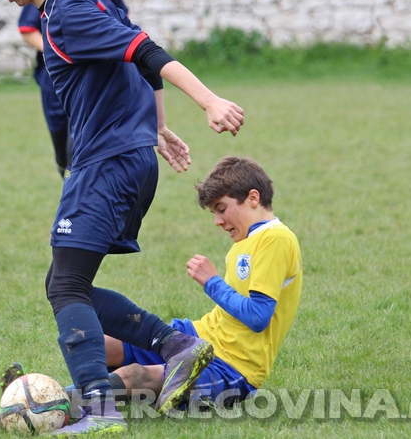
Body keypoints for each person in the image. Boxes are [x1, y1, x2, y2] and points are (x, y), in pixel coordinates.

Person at [0, 0, 245, 434]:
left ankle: (99, 409)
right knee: (67, 283)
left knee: (66, 287)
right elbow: (134, 45)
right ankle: (178, 345)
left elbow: (145, 51)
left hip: (107, 164)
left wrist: (208, 102)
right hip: (123, 158)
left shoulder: (68, 11)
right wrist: (158, 128)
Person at [101, 156, 303, 410]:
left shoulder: (276, 239)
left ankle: (61, 402)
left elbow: (258, 317)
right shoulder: (246, 241)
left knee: (134, 375)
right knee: (100, 341)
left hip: (232, 366)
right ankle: (71, 396)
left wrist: (212, 282)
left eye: (222, 209)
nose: (218, 221)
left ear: (253, 198)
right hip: (198, 338)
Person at [18, 0, 135, 179]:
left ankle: (82, 179)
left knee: (82, 135)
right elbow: (27, 30)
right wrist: (59, 51)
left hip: (92, 80)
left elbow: (122, 23)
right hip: (54, 79)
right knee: (60, 136)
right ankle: (65, 166)